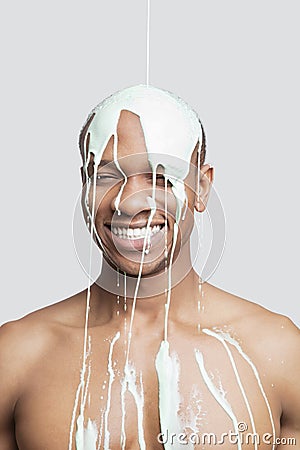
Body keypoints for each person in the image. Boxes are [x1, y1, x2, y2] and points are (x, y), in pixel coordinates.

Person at [0, 85, 299, 450]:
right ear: (84, 184)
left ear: (201, 188)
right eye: (107, 177)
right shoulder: (16, 355)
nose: (128, 202)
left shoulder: (278, 351)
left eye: (159, 176)